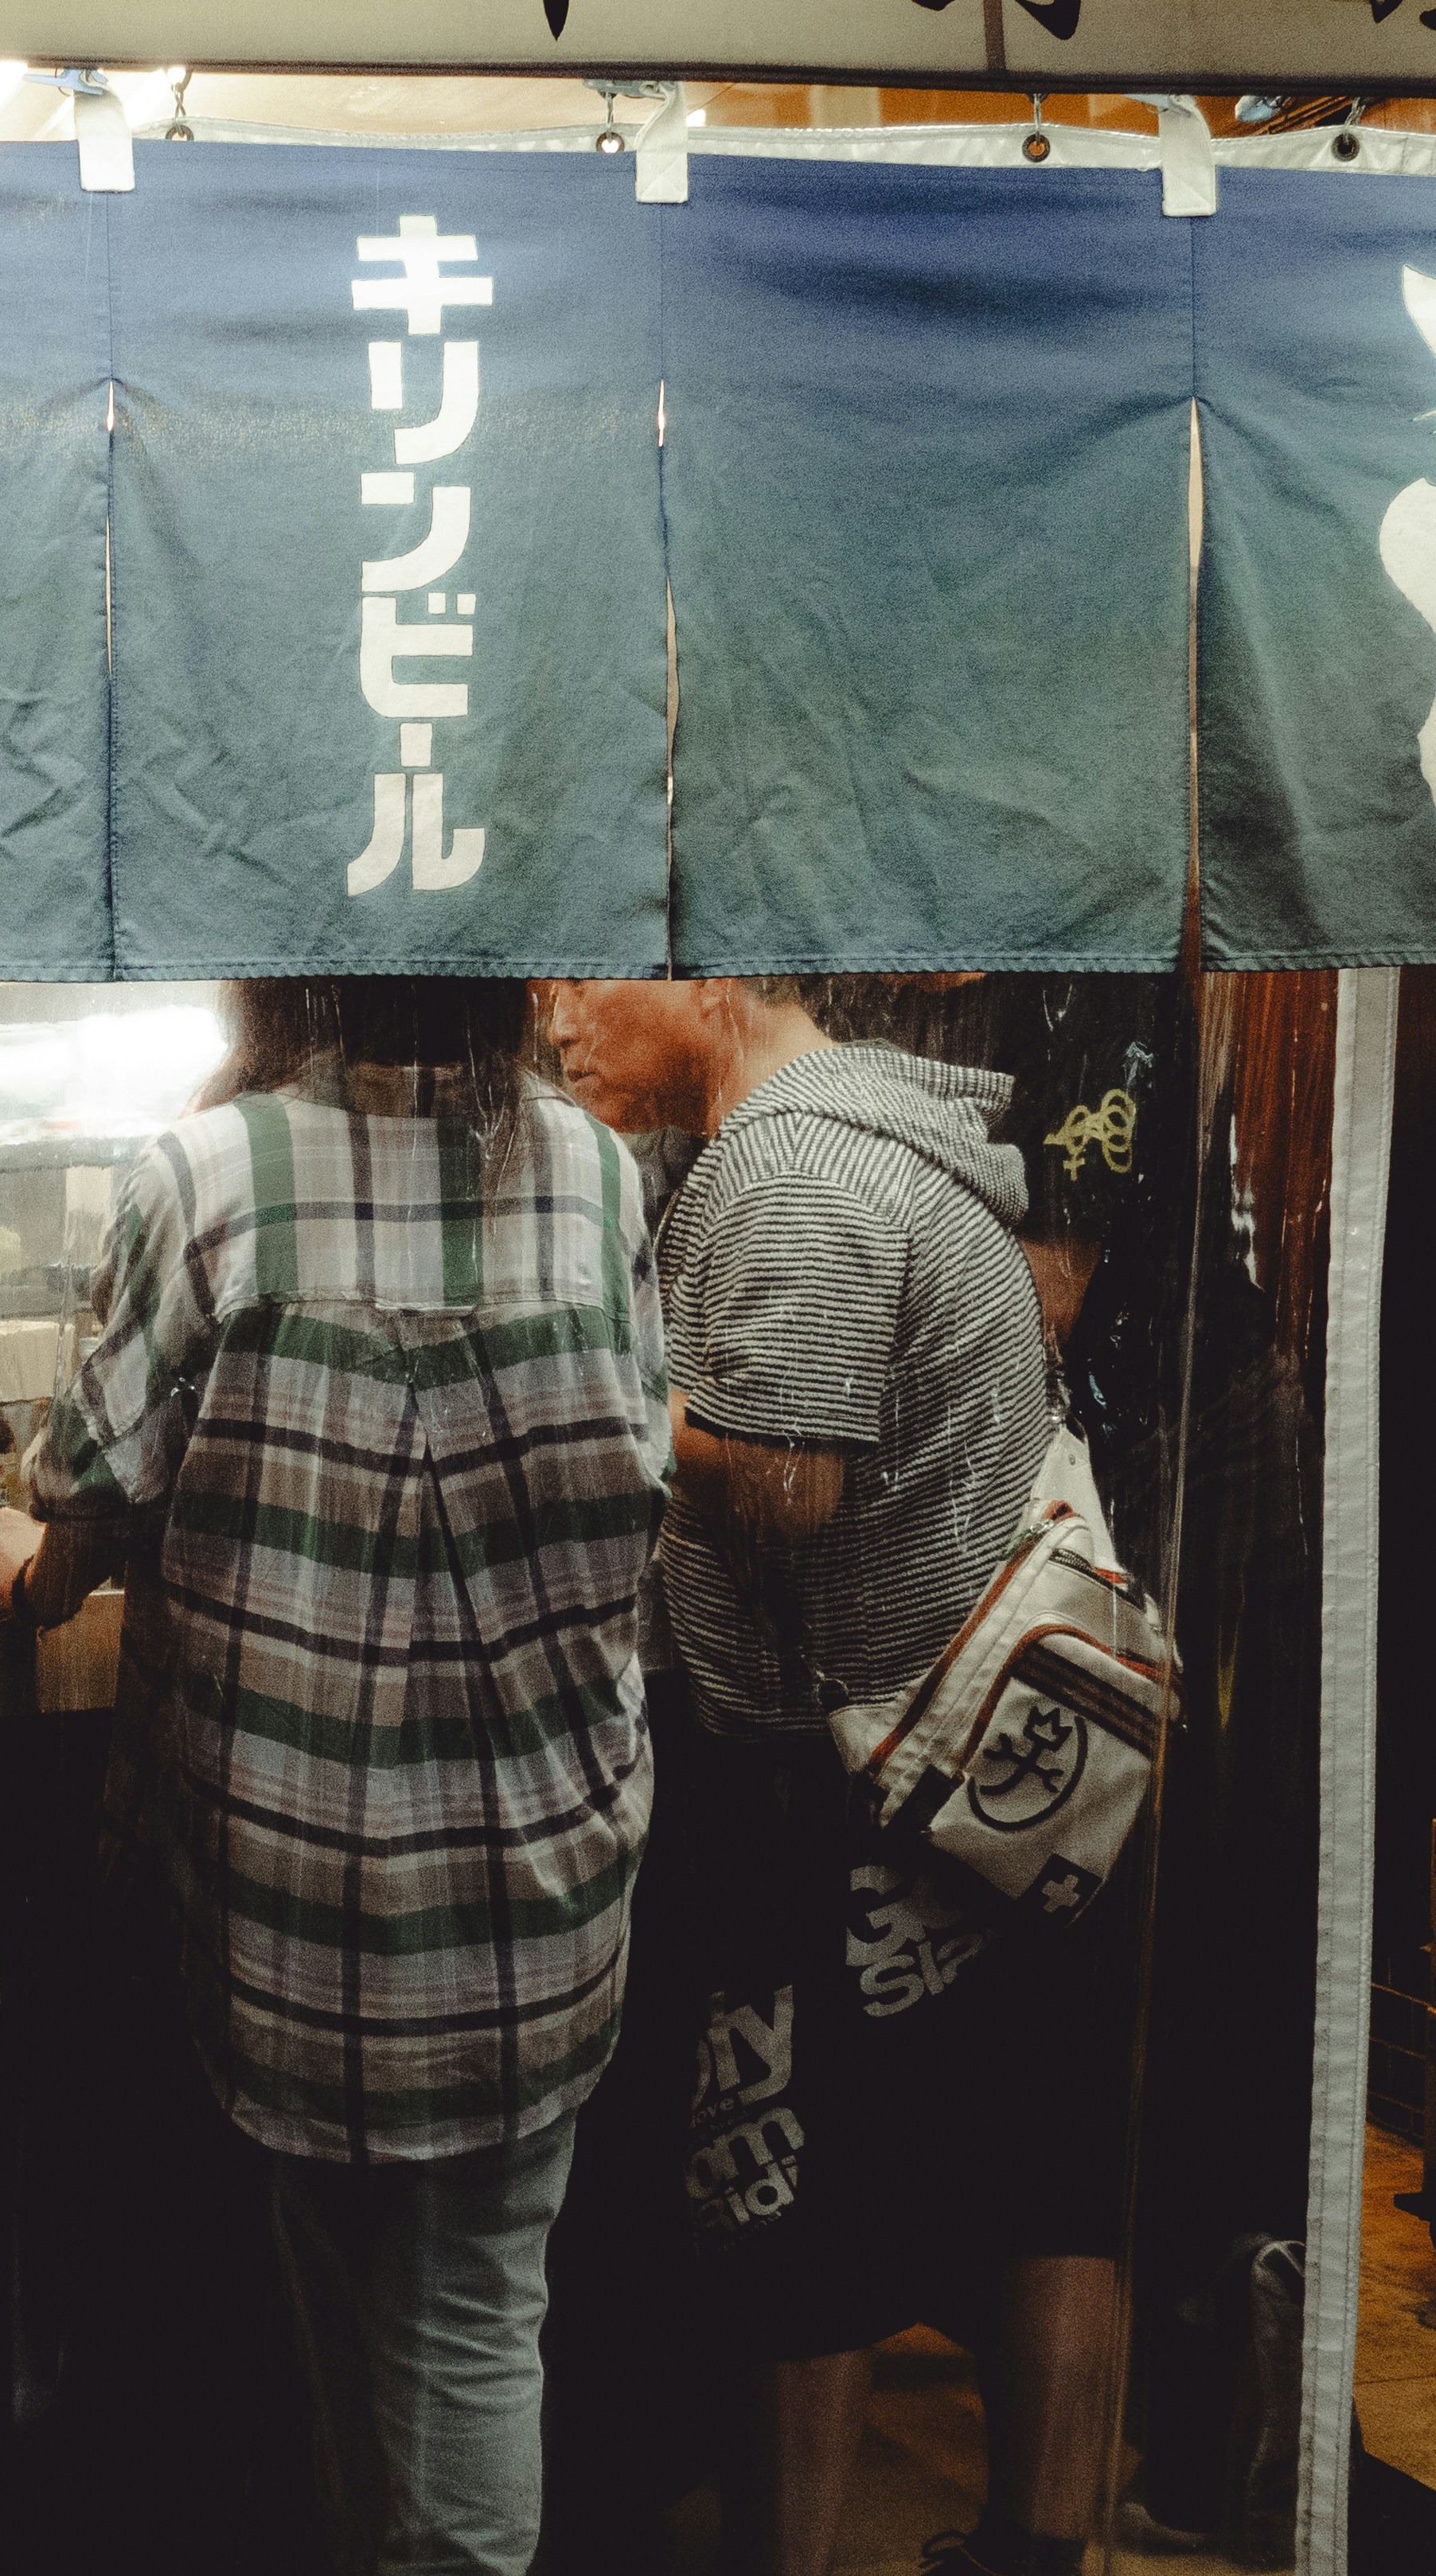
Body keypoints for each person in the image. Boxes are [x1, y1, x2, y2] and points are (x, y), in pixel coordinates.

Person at [0, 977, 671, 2576]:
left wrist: (45, 1561)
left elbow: (82, 1479)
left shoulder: (212, 1173)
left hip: (287, 1903)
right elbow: (639, 1450)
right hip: (535, 1881)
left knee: (353, 2311)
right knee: (476, 2311)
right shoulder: (595, 1173)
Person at [540, 975, 1122, 2576]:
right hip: (984, 1744)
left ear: (714, 980)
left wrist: (604, 1406)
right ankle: (1037, 2542)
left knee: (785, 2181)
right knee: (1038, 2159)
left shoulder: (789, 1169)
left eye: (589, 974)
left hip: (836, 1760)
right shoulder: (884, 1139)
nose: (556, 1012)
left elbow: (789, 1482)